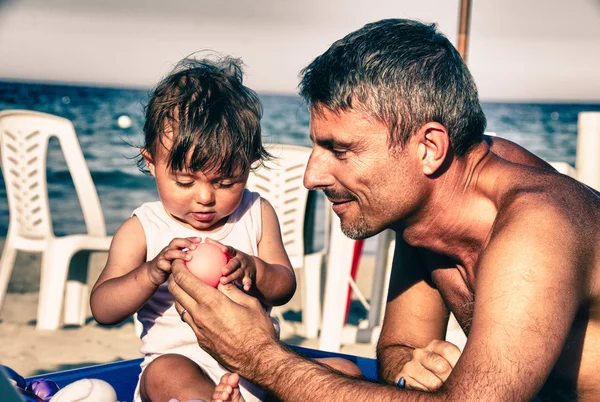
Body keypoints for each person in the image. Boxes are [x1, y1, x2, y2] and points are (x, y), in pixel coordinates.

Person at [168, 19, 600, 402]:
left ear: (428, 148)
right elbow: (398, 351)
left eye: (339, 149)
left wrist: (260, 356)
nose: (311, 176)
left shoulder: (537, 228)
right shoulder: (432, 207)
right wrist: (413, 372)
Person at [90, 55, 359, 402]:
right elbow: (103, 307)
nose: (205, 197)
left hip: (258, 364)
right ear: (151, 162)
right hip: (183, 366)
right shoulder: (143, 229)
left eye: (227, 181)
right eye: (184, 181)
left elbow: (283, 287)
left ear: (248, 167)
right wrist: (152, 272)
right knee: (164, 372)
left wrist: (254, 269)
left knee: (348, 374)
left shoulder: (256, 212)